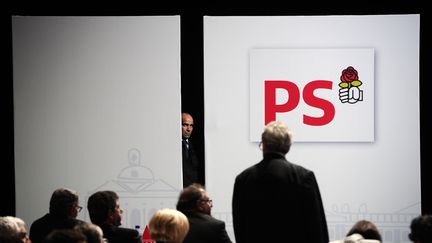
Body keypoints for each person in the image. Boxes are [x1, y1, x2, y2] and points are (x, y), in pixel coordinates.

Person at [232, 120, 329, 243]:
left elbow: (239, 226)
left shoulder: (243, 179)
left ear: (264, 144)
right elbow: (316, 226)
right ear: (288, 146)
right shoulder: (304, 176)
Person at [181, 112, 203, 187]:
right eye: (185, 125)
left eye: (191, 126)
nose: (189, 129)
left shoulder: (196, 147)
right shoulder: (172, 146)